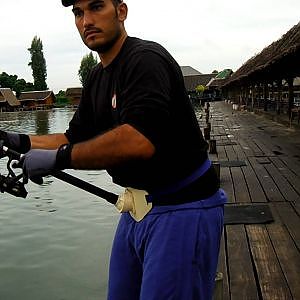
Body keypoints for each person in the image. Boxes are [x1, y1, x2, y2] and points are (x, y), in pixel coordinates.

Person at [0, 0, 227, 299]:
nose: (86, 21)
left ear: (121, 11)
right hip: (135, 209)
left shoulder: (145, 59)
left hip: (183, 209)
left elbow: (138, 140)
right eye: (78, 13)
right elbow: (73, 136)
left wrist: (59, 159)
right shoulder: (97, 77)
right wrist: (16, 140)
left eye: (96, 7)